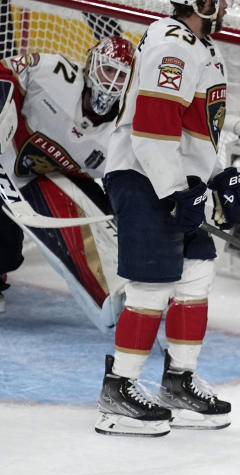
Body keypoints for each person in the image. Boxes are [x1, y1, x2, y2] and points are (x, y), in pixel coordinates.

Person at [95, 0, 240, 438]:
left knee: (196, 273)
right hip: (144, 175)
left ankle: (178, 384)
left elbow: (191, 131)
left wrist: (219, 177)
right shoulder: (173, 44)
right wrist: (178, 190)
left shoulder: (202, 47)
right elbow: (153, 128)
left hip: (173, 177)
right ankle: (118, 391)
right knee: (153, 284)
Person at [0, 36, 134, 323]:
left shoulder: (123, 132)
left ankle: (136, 287)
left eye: (122, 76)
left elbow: (126, 188)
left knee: (109, 221)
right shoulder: (53, 73)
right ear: (91, 65)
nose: (112, 83)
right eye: (108, 70)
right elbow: (5, 71)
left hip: (56, 178)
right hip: (6, 157)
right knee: (4, 248)